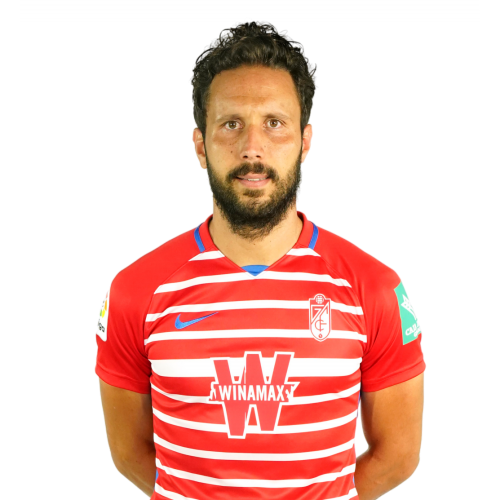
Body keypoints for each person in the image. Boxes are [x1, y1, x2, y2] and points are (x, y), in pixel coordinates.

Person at [95, 21, 426, 500]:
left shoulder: (374, 287)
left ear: (305, 142)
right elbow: (129, 453)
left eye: (274, 123)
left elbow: (398, 455)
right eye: (231, 124)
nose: (252, 148)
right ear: (200, 146)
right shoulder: (134, 291)